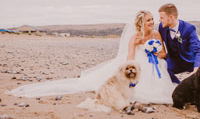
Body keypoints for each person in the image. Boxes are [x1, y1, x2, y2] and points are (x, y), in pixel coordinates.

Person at [7, 11, 176, 104]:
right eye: (148, 20)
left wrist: (153, 53)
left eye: (152, 19)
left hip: (153, 62)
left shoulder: (156, 34)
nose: (151, 22)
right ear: (141, 23)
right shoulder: (135, 38)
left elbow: (164, 54)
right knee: (137, 71)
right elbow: (130, 59)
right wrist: (138, 65)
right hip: (137, 63)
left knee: (159, 66)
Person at [158, 3, 200, 84]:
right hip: (173, 60)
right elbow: (158, 43)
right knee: (162, 67)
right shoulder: (162, 27)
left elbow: (198, 50)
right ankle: (178, 86)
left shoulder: (189, 28)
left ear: (171, 17)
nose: (159, 20)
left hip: (189, 61)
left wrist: (197, 68)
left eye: (162, 18)